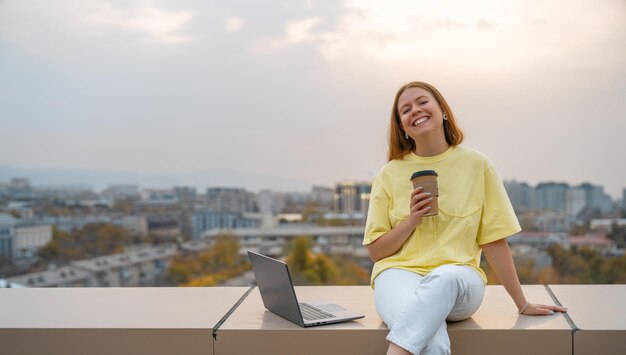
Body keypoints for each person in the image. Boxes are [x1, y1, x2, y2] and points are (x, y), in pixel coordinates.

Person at [363, 81, 567, 355]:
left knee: (445, 278)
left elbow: (494, 241)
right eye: (405, 109)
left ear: (443, 111)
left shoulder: (477, 165)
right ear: (402, 126)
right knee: (431, 341)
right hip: (398, 275)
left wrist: (521, 303)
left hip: (460, 279)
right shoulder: (389, 174)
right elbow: (376, 251)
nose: (415, 111)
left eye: (423, 102)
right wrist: (410, 221)